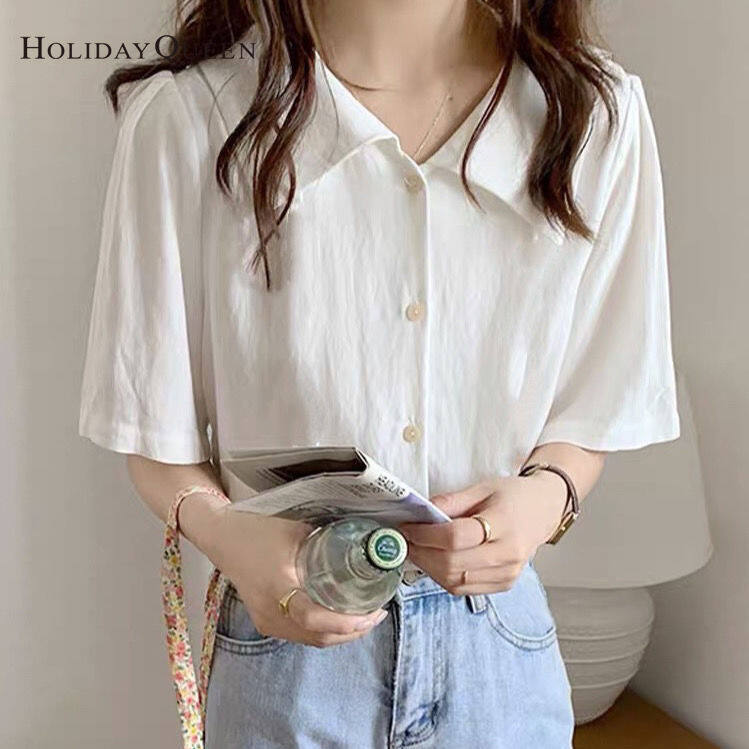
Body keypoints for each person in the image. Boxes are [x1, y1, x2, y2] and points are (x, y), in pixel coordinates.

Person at [78, 1, 680, 746]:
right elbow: (151, 433)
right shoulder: (188, 120)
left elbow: (595, 406)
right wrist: (231, 537)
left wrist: (544, 499)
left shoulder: (594, 117)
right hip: (291, 645)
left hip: (498, 654)